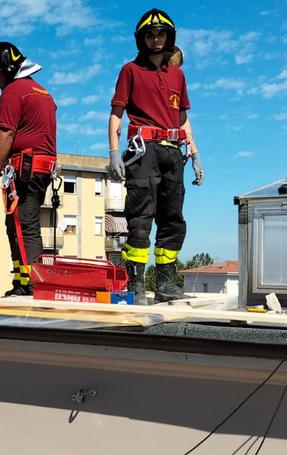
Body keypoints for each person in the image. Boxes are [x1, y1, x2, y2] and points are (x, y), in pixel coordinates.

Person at [108, 9, 204, 305]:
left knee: (172, 218)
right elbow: (116, 114)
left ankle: (166, 284)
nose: (156, 39)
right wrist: (113, 151)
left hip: (174, 153)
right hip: (143, 152)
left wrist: (196, 153)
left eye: (161, 33)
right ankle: (136, 286)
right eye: (150, 34)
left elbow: (183, 118)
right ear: (142, 39)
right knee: (140, 218)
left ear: (169, 37)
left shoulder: (178, 75)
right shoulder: (130, 71)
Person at [0, 42, 57, 297]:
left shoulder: (14, 92)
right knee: (17, 225)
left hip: (26, 168)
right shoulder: (41, 91)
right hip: (40, 168)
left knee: (24, 225)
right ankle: (22, 282)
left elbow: (7, 132)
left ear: (7, 68)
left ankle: (32, 286)